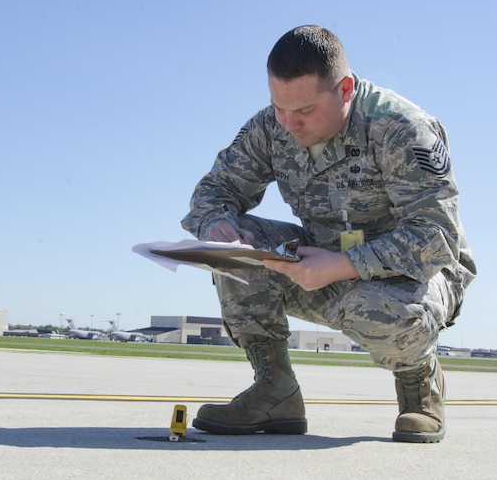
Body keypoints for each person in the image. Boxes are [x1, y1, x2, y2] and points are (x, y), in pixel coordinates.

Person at [180, 25, 476, 443]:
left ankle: (419, 384)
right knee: (235, 252)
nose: (289, 124)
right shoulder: (273, 126)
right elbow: (213, 192)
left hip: (413, 278)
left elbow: (436, 237)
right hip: (320, 260)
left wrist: (343, 265)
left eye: (304, 111)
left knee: (366, 307)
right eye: (279, 108)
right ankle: (274, 390)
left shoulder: (400, 128)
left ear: (346, 89)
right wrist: (217, 226)